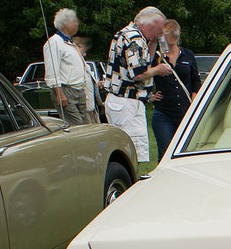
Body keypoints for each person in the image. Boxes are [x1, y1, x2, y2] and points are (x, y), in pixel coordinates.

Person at [103, 6, 173, 163]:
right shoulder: (135, 38)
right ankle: (132, 183)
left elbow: (143, 60)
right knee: (132, 151)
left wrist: (154, 42)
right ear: (151, 24)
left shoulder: (126, 33)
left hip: (120, 101)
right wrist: (158, 69)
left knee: (126, 150)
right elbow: (138, 73)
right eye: (160, 28)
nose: (160, 33)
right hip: (127, 102)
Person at [150, 20, 201, 159]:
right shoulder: (156, 57)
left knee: (186, 152)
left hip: (185, 110)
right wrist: (150, 96)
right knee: (165, 152)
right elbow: (142, 76)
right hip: (163, 111)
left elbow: (196, 81)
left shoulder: (188, 55)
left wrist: (194, 100)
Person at [42, 8, 89, 125]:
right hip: (66, 90)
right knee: (76, 126)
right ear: (64, 23)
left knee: (83, 125)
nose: (77, 23)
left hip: (78, 90)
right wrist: (59, 93)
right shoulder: (54, 42)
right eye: (73, 20)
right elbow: (52, 70)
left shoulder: (70, 43)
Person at [73, 36, 102, 124]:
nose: (85, 48)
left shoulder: (86, 65)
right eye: (82, 46)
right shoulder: (74, 65)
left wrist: (97, 83)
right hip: (83, 106)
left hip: (91, 106)